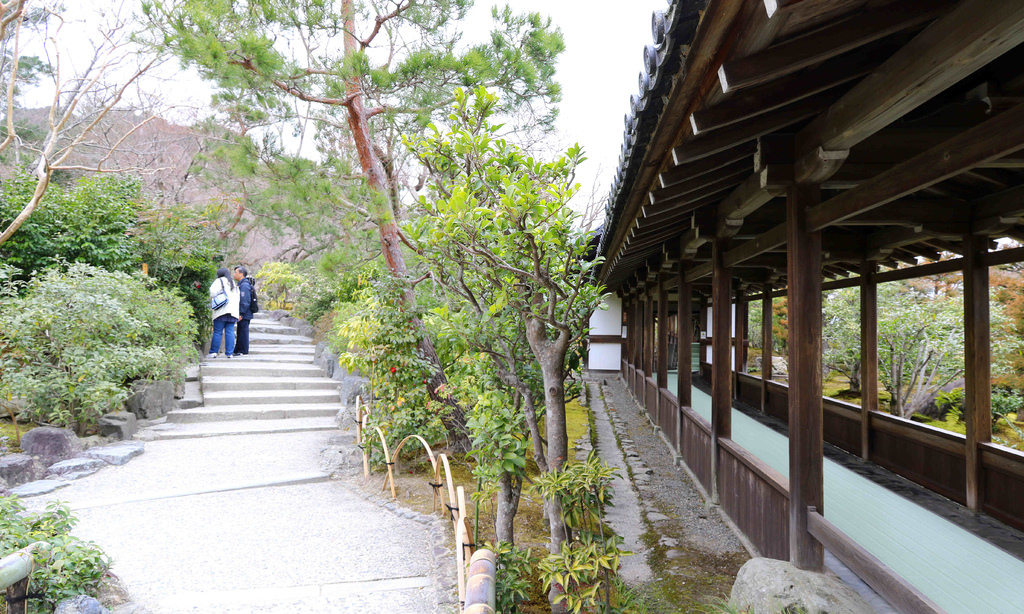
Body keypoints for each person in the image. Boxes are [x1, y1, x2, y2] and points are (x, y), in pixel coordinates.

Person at [207, 267, 240, 359]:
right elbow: (238, 298)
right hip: (232, 311)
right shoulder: (233, 282)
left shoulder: (219, 281)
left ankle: (214, 352)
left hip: (221, 310)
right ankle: (229, 353)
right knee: (230, 332)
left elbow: (212, 293)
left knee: (218, 331)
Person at [233, 265, 254, 356]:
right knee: (240, 331)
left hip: (245, 313)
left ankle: (243, 350)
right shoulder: (242, 284)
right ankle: (238, 350)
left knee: (243, 331)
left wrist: (241, 313)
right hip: (244, 312)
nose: (234, 274)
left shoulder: (244, 285)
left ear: (241, 274)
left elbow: (245, 300)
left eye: (236, 273)